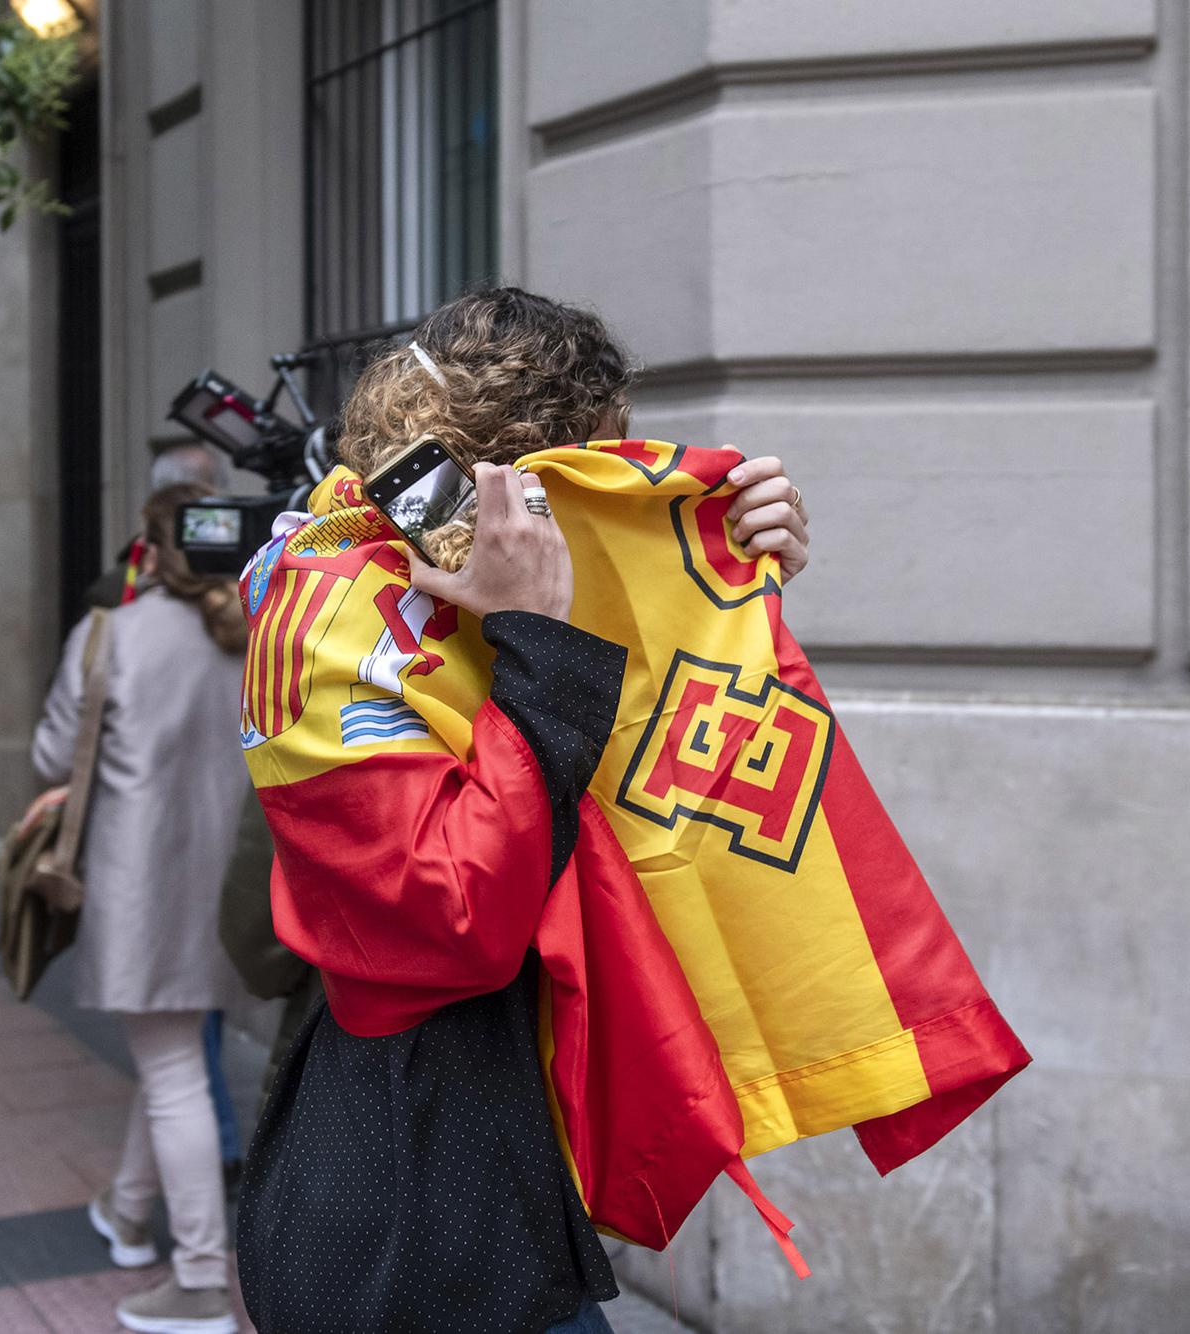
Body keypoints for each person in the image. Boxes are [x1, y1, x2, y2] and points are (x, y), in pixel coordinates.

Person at [233, 289, 810, 1334]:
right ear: (511, 473)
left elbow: (648, 760)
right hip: (416, 1170)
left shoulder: (469, 581)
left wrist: (726, 573)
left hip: (500, 1137)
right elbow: (455, 915)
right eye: (587, 470)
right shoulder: (331, 607)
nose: (602, 498)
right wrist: (539, 640)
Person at [34, 483, 254, 1334]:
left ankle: (200, 1281)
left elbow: (50, 754)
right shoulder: (259, 639)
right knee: (172, 1058)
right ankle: (127, 1212)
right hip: (231, 891)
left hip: (140, 893)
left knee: (170, 1070)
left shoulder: (110, 636)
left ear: (152, 553)